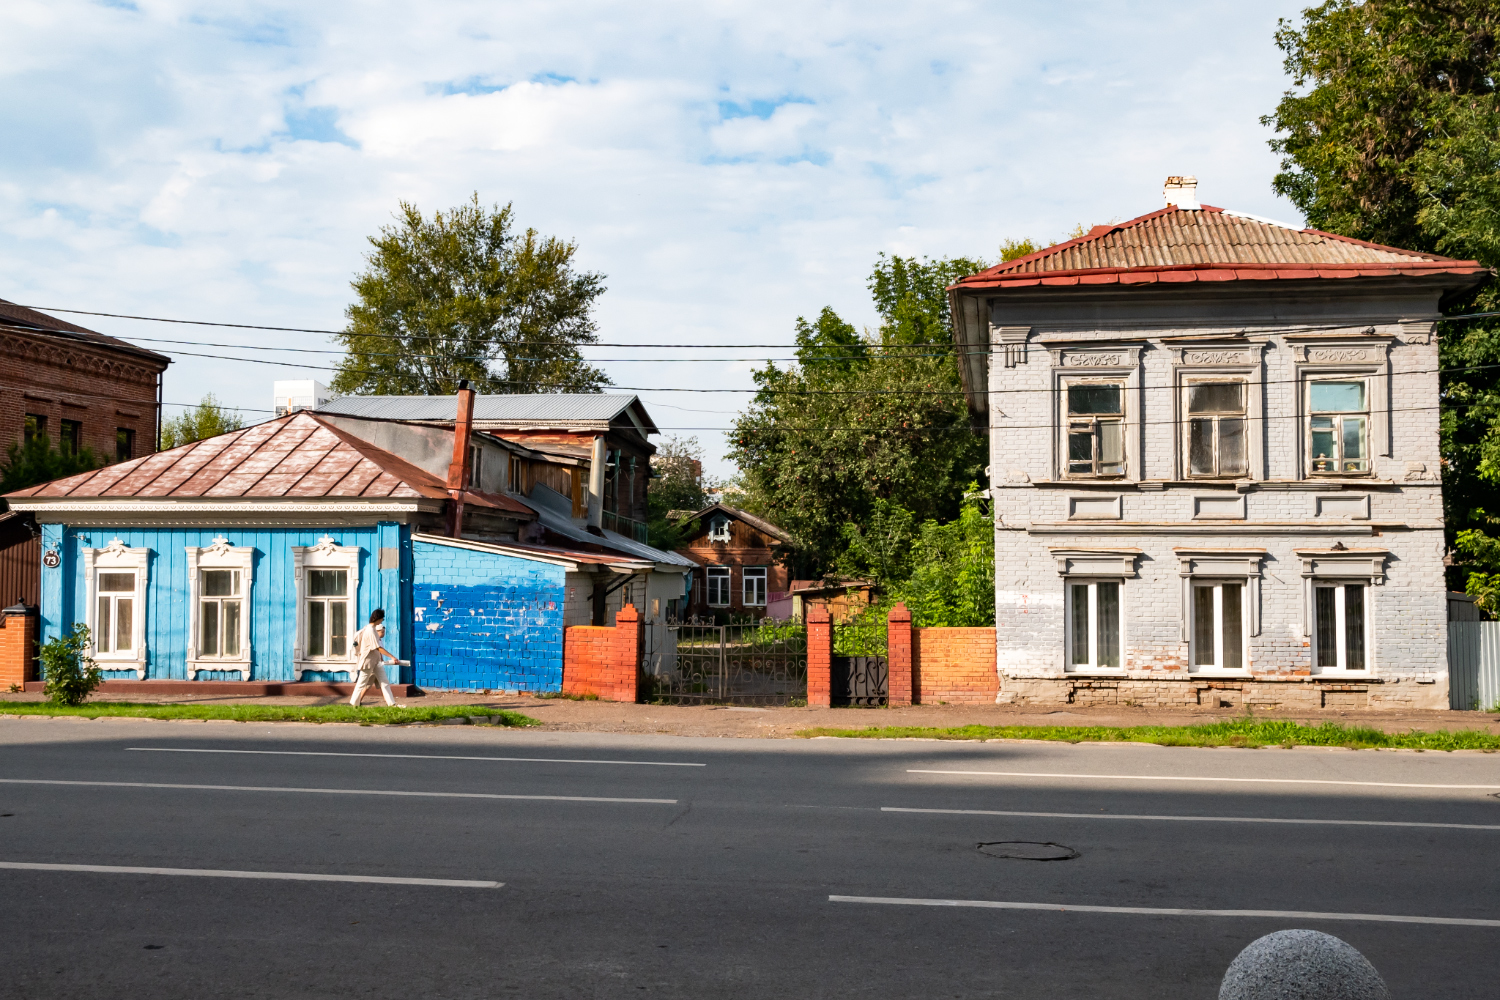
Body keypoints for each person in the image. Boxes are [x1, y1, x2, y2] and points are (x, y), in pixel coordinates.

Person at [350, 609, 399, 707]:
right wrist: (393, 657)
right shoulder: (370, 630)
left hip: (376, 662)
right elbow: (378, 647)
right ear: (378, 618)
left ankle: (392, 704)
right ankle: (354, 704)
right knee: (361, 684)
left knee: (384, 682)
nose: (382, 620)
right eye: (382, 618)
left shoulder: (371, 629)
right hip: (368, 661)